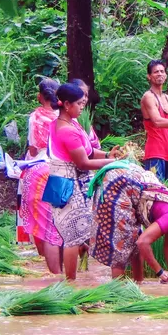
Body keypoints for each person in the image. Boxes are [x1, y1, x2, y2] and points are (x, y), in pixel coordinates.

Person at [90, 162, 168, 283]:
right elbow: (143, 242)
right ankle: (118, 295)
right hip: (118, 185)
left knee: (135, 240)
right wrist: (160, 272)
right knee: (121, 248)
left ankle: (138, 285)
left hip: (130, 183)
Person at [48, 82, 115, 280]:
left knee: (79, 234)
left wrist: (108, 154)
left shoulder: (72, 123)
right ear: (67, 105)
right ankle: (71, 283)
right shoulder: (65, 130)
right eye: (79, 104)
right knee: (72, 238)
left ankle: (75, 278)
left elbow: (89, 151)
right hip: (70, 188)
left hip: (76, 186)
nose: (82, 106)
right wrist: (112, 162)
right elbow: (83, 162)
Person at [18, 79, 62, 273]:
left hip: (39, 171)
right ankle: (68, 275)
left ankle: (55, 277)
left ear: (39, 97)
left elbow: (33, 149)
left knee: (48, 228)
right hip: (62, 170)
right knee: (63, 225)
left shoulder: (35, 117)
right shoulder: (66, 115)